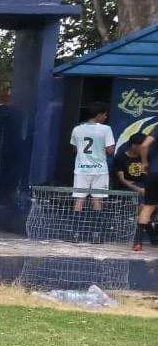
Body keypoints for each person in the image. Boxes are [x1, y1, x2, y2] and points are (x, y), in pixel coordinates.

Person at [68, 102, 116, 244]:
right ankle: (96, 235)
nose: (106, 117)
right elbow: (110, 150)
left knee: (79, 201)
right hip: (100, 170)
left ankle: (75, 234)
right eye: (105, 115)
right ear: (99, 115)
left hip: (81, 169)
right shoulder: (106, 129)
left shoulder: (77, 129)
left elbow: (75, 148)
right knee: (97, 201)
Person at [114, 131, 154, 251]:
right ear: (134, 145)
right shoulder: (121, 157)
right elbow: (122, 179)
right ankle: (151, 236)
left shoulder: (147, 157)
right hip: (130, 187)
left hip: (146, 186)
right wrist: (138, 189)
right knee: (142, 207)